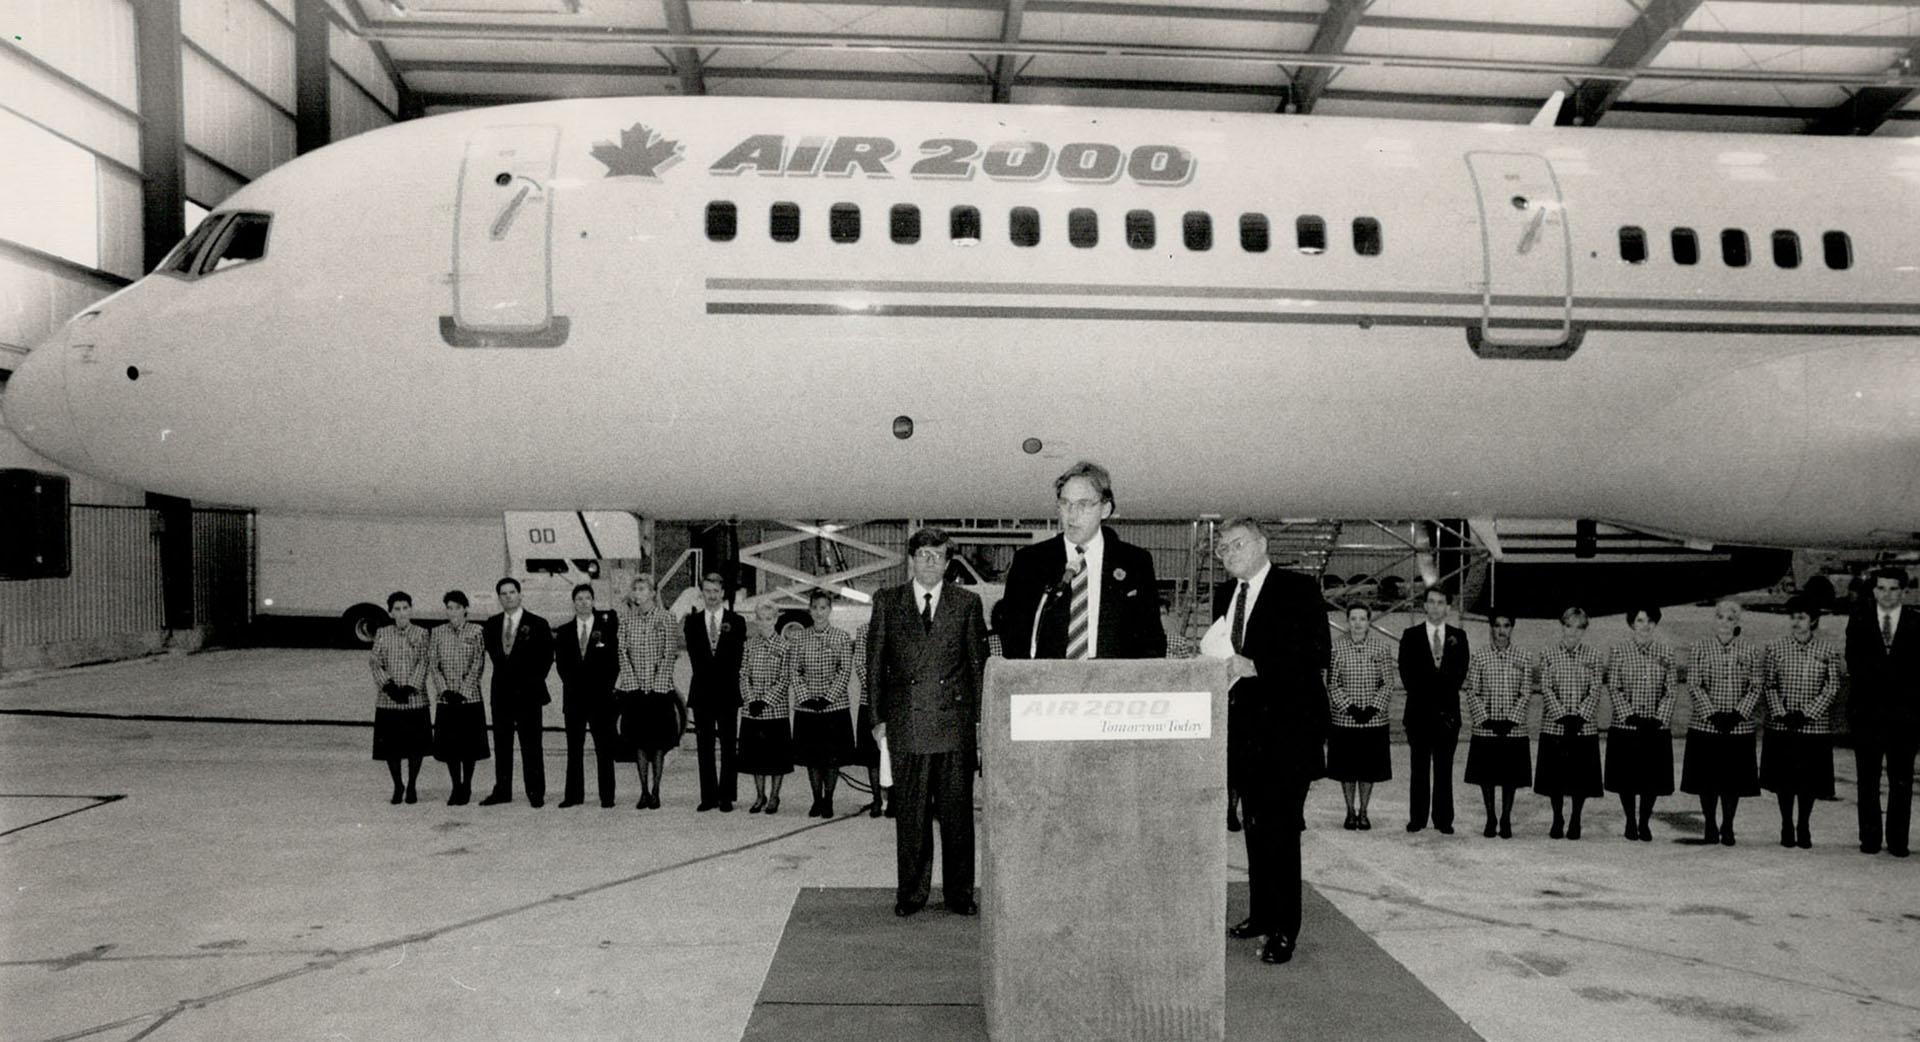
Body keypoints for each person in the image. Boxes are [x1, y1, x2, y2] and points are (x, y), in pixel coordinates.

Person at [1215, 517, 1330, 967]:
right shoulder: (1227, 596)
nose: (1228, 554)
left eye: (1236, 544)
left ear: (1262, 543)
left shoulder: (1298, 589)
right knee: (1255, 828)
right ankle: (1261, 914)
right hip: (1244, 731)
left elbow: (1316, 652)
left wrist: (1256, 666)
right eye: (1222, 549)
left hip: (1289, 731)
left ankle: (1285, 928)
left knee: (1281, 831)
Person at [865, 527, 991, 917]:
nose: (930, 562)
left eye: (937, 555)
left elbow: (978, 668)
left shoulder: (967, 603)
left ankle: (959, 894)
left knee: (957, 820)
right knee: (912, 820)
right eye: (923, 555)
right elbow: (874, 666)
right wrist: (877, 719)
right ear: (911, 560)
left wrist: (980, 725)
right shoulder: (888, 601)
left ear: (948, 561)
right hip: (906, 726)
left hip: (953, 728)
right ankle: (912, 894)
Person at [1000, 460, 1165, 660]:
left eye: (1083, 504)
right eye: (1065, 503)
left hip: (1113, 685)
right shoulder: (1029, 562)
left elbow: (1152, 639)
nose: (1072, 514)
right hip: (1047, 683)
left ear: (1105, 510)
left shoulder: (1136, 562)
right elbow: (1013, 637)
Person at [1845, 568, 1919, 857]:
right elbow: (1855, 663)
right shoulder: (1860, 620)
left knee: (1901, 781)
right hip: (1868, 713)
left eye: (1892, 589)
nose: (1886, 595)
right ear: (1873, 591)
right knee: (1868, 780)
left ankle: (1899, 841)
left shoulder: (1916, 622)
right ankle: (1870, 838)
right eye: (1881, 589)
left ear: (1903, 592)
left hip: (1905, 716)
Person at [1762, 596, 1843, 850]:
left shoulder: (1827, 651)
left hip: (1813, 726)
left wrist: (1808, 713)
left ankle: (1804, 824)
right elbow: (1769, 684)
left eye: (1802, 618)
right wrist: (1782, 712)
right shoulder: (1776, 648)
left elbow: (1832, 687)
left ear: (1814, 621)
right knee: (1784, 780)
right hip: (1783, 723)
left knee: (1808, 781)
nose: (1797, 623)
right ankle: (1786, 823)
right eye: (1793, 617)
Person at [1681, 599, 1762, 846]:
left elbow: (1756, 685)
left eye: (1730, 619)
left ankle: (1728, 824)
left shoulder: (1750, 650)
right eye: (1720, 617)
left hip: (1738, 726)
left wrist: (1737, 715)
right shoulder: (1699, 648)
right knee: (1707, 780)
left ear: (1737, 623)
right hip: (1707, 725)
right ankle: (1709, 824)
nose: (1724, 623)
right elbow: (1694, 684)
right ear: (1713, 620)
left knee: (1732, 781)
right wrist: (1713, 714)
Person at [1602, 607, 1678, 843]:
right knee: (1627, 777)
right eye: (1640, 620)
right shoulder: (1619, 651)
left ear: (1655, 624)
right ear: (1632, 623)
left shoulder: (1666, 652)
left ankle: (1644, 821)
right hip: (1628, 726)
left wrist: (1658, 717)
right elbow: (1614, 686)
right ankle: (1630, 821)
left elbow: (1671, 689)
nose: (1645, 626)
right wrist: (1629, 715)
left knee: (1650, 779)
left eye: (1650, 621)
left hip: (1655, 726)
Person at [479, 577, 554, 807]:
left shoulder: (538, 623)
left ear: (520, 595)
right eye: (503, 593)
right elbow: (494, 655)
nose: (508, 596)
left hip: (528, 694)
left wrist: (530, 682)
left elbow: (546, 657)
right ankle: (502, 790)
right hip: (501, 693)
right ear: (499, 598)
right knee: (502, 744)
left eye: (512, 592)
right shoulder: (491, 624)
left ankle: (535, 792)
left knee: (531, 744)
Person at [1399, 587, 1468, 835]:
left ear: (1448, 607)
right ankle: (1417, 817)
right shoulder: (1410, 635)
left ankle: (1443, 818)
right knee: (1418, 768)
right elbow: (1407, 675)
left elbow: (1459, 674)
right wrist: (1430, 706)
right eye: (1431, 602)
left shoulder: (1459, 636)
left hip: (1448, 715)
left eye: (1441, 602)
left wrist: (1441, 709)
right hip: (1418, 713)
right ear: (1424, 606)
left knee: (1444, 768)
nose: (1436, 607)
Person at [1461, 611, 1534, 839]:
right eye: (1497, 626)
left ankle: (1506, 817)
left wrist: (1512, 719)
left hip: (1513, 728)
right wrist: (1486, 718)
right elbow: (1472, 690)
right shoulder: (1480, 656)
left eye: (1506, 625)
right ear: (1491, 628)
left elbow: (1525, 691)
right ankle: (1491, 816)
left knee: (1509, 776)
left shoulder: (1523, 656)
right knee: (1487, 776)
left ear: (1512, 628)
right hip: (1487, 727)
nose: (1502, 631)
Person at [1535, 607, 1604, 839]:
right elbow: (1546, 687)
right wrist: (1562, 715)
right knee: (1556, 777)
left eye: (1578, 627)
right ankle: (1557, 817)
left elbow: (1595, 689)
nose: (1572, 631)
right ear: (1561, 626)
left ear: (1584, 630)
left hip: (1583, 727)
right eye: (1568, 626)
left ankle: (1576, 818)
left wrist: (1580, 715)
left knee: (1580, 777)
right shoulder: (1548, 653)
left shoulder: (1593, 655)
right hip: (1556, 725)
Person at [614, 575, 681, 810]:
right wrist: (633, 684)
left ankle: (656, 790)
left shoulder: (666, 618)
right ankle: (643, 790)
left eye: (642, 589)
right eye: (635, 589)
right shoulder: (626, 620)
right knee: (639, 742)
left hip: (659, 690)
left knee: (659, 742)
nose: (638, 593)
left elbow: (669, 653)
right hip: (634, 690)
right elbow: (622, 652)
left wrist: (656, 686)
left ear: (652, 592)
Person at [1327, 604, 1393, 831]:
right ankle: (1349, 811)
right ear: (1347, 621)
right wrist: (1350, 708)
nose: (1357, 623)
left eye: (1362, 619)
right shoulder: (1336, 649)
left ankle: (1364, 811)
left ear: (1369, 622)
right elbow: (1332, 683)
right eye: (1353, 619)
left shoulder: (1381, 648)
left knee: (1368, 768)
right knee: (1347, 769)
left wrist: (1373, 708)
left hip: (1373, 721)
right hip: (1345, 720)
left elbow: (1388, 683)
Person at [790, 589, 856, 816]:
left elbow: (844, 670)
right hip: (807, 707)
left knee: (831, 758)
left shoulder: (841, 637)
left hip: (833, 707)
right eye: (815, 608)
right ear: (809, 610)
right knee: (812, 758)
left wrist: (828, 698)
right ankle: (816, 799)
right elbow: (794, 670)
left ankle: (829, 799)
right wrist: (806, 697)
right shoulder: (799, 637)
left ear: (830, 610)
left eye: (823, 608)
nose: (819, 613)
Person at [684, 573, 746, 813]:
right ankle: (708, 796)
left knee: (730, 745)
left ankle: (727, 796)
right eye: (707, 591)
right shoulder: (692, 622)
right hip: (702, 691)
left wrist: (723, 677)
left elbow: (737, 657)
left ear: (722, 593)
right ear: (702, 593)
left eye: (715, 591)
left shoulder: (736, 621)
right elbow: (695, 656)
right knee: (704, 745)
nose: (711, 595)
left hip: (728, 691)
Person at [555, 583, 620, 808]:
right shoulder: (564, 632)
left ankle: (607, 796)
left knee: (604, 748)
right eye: (579, 599)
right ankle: (573, 796)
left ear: (593, 601)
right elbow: (562, 666)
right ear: (573, 603)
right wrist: (576, 686)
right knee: (574, 749)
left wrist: (603, 688)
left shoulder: (607, 628)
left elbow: (614, 664)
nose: (583, 602)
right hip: (573, 699)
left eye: (587, 598)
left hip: (601, 699)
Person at [369, 591, 432, 805]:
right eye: (397, 609)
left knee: (416, 747)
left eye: (406, 608)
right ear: (390, 612)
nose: (402, 613)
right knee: (391, 748)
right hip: (389, 699)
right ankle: (398, 785)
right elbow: (375, 663)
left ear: (411, 610)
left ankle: (412, 784)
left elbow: (424, 662)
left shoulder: (422, 633)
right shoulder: (382, 633)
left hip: (415, 699)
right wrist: (389, 687)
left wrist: (410, 687)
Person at [428, 589, 488, 806]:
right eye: (449, 607)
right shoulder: (437, 632)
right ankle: (456, 786)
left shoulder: (476, 631)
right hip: (446, 699)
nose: (452, 611)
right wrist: (445, 689)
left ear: (465, 609)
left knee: (469, 746)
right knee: (451, 747)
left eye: (457, 607)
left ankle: (468, 786)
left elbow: (478, 663)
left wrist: (463, 691)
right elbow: (433, 664)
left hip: (468, 698)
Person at [737, 600, 794, 814]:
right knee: (756, 757)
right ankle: (759, 795)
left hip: (775, 710)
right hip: (752, 710)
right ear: (756, 619)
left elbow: (784, 678)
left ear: (776, 620)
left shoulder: (785, 646)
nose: (764, 623)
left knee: (776, 758)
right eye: (760, 618)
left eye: (768, 619)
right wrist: (751, 700)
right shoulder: (749, 645)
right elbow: (743, 675)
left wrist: (766, 701)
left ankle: (774, 796)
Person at [849, 620, 886, 818]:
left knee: (893, 754)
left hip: (895, 701)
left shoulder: (902, 625)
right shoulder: (864, 630)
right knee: (872, 755)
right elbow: (860, 663)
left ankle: (894, 799)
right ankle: (877, 798)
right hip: (869, 700)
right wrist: (875, 691)